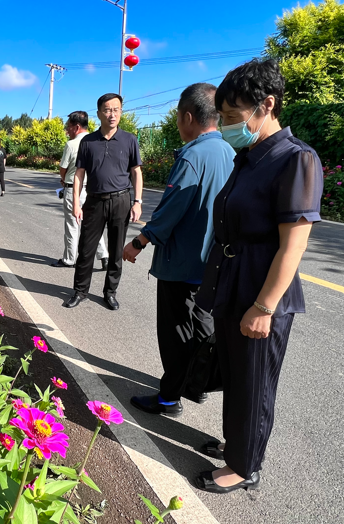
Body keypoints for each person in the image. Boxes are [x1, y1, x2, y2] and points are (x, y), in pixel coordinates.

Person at [193, 58, 323, 494]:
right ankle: (237, 445)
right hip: (232, 278)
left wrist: (264, 306)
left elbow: (293, 246)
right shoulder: (248, 157)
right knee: (234, 372)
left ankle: (246, 466)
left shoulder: (295, 160)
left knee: (254, 381)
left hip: (260, 288)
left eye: (232, 118)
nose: (228, 126)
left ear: (266, 106)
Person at [125, 84, 235, 417]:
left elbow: (172, 208)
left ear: (188, 116)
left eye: (177, 116)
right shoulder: (232, 153)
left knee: (176, 333)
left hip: (183, 263)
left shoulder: (192, 154)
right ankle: (196, 384)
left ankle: (169, 398)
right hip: (213, 263)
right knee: (200, 326)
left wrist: (140, 242)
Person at [64, 93, 142, 311]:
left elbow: (136, 172)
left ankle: (110, 293)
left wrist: (137, 201)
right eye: (107, 110)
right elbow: (79, 174)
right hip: (94, 202)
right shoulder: (88, 142)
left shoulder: (129, 140)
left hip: (121, 201)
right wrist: (77, 204)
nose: (112, 114)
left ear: (120, 112)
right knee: (86, 249)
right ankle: (80, 291)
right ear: (99, 113)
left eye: (116, 109)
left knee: (116, 251)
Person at [53, 110, 108, 269]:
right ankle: (103, 256)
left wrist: (63, 179)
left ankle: (69, 259)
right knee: (92, 224)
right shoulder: (97, 140)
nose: (67, 130)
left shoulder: (72, 144)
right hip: (93, 190)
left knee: (72, 225)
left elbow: (63, 168)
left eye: (69, 127)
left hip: (74, 189)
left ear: (77, 127)